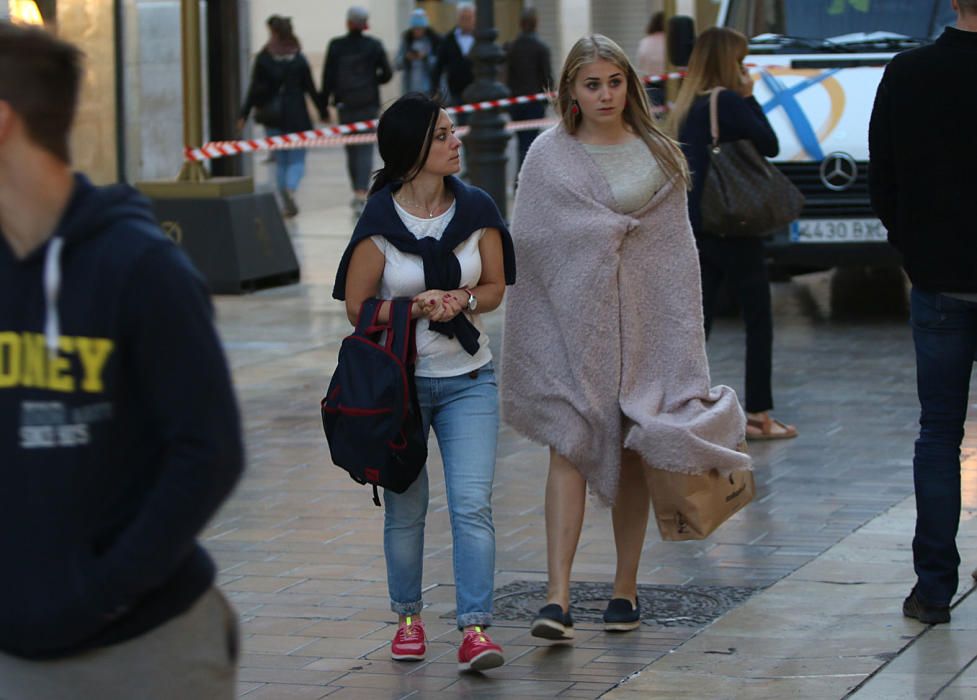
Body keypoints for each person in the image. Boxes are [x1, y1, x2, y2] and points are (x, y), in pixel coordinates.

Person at [0, 22, 244, 699]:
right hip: (16, 658)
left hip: (144, 653)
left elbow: (209, 452)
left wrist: (99, 591)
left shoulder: (140, 266)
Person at [501, 34, 750, 639]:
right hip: (569, 331)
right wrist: (593, 242)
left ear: (631, 86)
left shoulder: (660, 155)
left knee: (635, 453)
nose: (605, 94)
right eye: (592, 84)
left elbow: (675, 262)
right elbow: (532, 247)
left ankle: (625, 589)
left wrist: (682, 347)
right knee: (569, 444)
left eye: (615, 82)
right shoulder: (547, 157)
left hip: (647, 335)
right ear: (571, 92)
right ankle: (556, 597)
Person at [333, 93, 516, 671]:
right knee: (406, 511)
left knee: (471, 505)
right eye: (441, 135)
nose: (455, 141)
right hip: (402, 389)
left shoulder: (478, 207)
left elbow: (494, 287)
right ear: (412, 150)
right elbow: (358, 307)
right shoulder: (381, 221)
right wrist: (413, 307)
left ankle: (475, 629)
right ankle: (408, 617)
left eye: (453, 131)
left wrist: (461, 297)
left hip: (469, 379)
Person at [868, 0, 977, 625]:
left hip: (939, 283)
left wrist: (913, 248)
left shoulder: (908, 74)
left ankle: (934, 587)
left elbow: (884, 180)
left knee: (939, 435)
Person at [668, 27, 797, 442]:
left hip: (699, 228)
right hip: (736, 226)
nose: (745, 68)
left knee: (697, 323)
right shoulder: (727, 101)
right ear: (728, 63)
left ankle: (684, 407)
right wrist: (749, 95)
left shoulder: (688, 106)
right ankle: (759, 415)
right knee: (758, 319)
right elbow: (770, 143)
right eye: (740, 61)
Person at [239, 16, 324, 218]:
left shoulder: (264, 58)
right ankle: (290, 189)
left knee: (281, 161)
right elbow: (310, 88)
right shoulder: (298, 58)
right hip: (297, 116)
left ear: (274, 33)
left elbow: (253, 89)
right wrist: (324, 111)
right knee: (297, 159)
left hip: (272, 116)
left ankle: (284, 198)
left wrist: (243, 113)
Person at [321, 6, 393, 216]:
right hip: (368, 102)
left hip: (345, 103)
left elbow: (328, 77)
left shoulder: (336, 46)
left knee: (351, 147)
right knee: (364, 148)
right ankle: (361, 191)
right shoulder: (374, 45)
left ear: (348, 22)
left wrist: (323, 105)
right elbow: (387, 74)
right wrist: (372, 80)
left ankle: (357, 189)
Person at [505, 8, 554, 177]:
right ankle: (528, 177)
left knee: (522, 143)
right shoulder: (541, 48)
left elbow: (507, 76)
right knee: (532, 142)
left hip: (516, 102)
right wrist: (547, 99)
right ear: (536, 24)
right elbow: (547, 77)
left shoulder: (512, 48)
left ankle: (521, 176)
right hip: (533, 103)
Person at [433, 2, 476, 114]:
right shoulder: (448, 39)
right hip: (457, 90)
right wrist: (436, 89)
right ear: (458, 19)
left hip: (477, 89)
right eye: (463, 18)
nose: (466, 21)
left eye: (469, 18)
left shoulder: (481, 38)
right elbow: (439, 66)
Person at [395, 8, 440, 95]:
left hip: (429, 90)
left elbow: (439, 65)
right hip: (410, 89)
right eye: (415, 29)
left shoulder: (434, 41)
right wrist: (406, 58)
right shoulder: (406, 41)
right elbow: (397, 64)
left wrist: (425, 58)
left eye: (420, 29)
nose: (417, 31)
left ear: (425, 28)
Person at [636, 12, 666, 107]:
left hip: (650, 84)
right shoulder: (670, 41)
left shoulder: (645, 42)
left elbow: (641, 64)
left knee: (654, 112)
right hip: (669, 83)